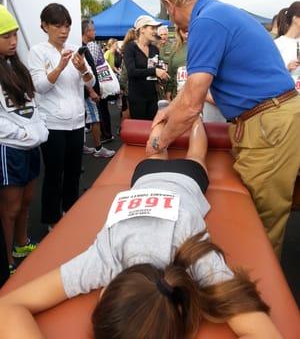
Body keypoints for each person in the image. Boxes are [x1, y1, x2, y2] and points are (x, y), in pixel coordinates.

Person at [0, 117, 282, 339]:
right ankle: (192, 119)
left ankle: (178, 118)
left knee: (183, 153)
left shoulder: (193, 256)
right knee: (181, 152)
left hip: (176, 182)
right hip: (155, 181)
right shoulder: (105, 259)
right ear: (107, 291)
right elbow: (8, 307)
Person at [148, 0, 300, 257]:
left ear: (170, 4)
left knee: (256, 223)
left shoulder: (205, 23)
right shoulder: (219, 14)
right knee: (251, 217)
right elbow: (191, 90)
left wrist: (159, 141)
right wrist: (167, 114)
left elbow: (193, 103)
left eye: (167, 12)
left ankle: (253, 295)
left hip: (269, 125)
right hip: (271, 119)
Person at [28, 3, 95, 230]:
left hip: (77, 122)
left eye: (67, 25)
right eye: (57, 25)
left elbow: (91, 82)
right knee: (54, 174)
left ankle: (70, 211)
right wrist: (59, 67)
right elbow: (39, 86)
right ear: (45, 26)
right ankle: (51, 219)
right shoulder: (37, 52)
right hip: (52, 125)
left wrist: (83, 68)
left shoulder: (76, 49)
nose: (64, 30)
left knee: (74, 172)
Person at [0, 5, 48, 274]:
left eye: (15, 34)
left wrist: (39, 130)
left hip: (31, 146)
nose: (14, 41)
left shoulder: (17, 67)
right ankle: (6, 261)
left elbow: (33, 105)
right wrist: (21, 134)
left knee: (28, 199)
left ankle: (21, 243)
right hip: (10, 150)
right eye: (6, 36)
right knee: (10, 207)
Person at [166, 26, 225, 123]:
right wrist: (169, 94)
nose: (186, 32)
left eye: (189, 29)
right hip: (181, 96)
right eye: (183, 29)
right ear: (179, 32)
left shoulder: (207, 46)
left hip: (206, 98)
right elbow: (172, 74)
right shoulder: (175, 50)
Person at [124, 15, 170, 120]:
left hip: (153, 96)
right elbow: (131, 72)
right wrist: (154, 71)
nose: (155, 31)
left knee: (152, 127)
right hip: (137, 97)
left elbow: (155, 71)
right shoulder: (130, 48)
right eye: (152, 28)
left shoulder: (154, 49)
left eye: (155, 28)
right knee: (140, 131)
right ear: (142, 30)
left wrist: (161, 76)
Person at [81, 19, 115, 158]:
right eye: (93, 30)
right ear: (87, 31)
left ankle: (82, 146)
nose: (95, 32)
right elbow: (81, 73)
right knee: (95, 118)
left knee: (83, 119)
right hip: (88, 92)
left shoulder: (85, 47)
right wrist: (92, 91)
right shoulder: (83, 48)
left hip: (88, 90)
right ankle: (98, 148)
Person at [274, 2, 300, 90]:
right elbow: (269, 75)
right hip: (288, 97)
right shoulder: (278, 44)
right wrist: (287, 68)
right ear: (295, 19)